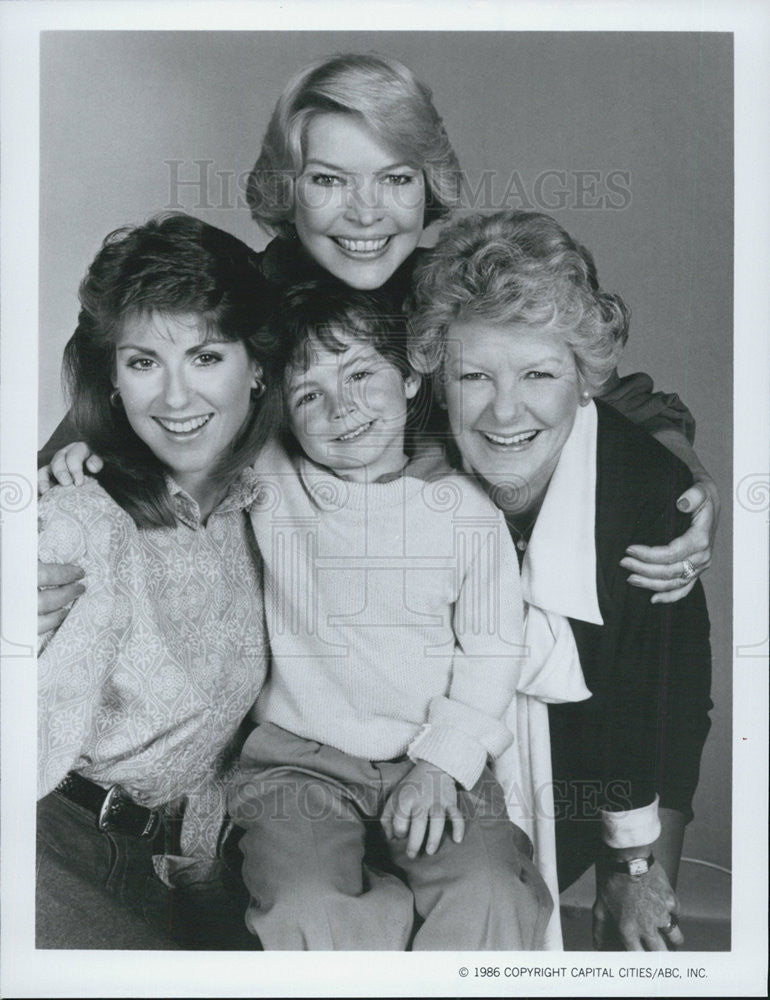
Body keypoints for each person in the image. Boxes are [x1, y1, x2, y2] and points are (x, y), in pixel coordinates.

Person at [38, 52, 717, 617]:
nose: (365, 214)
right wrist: (47, 511)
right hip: (274, 651)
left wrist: (686, 484)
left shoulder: (459, 293)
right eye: (329, 180)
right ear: (287, 189)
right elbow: (119, 404)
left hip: (434, 638)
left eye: (395, 179)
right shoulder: (234, 298)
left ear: (429, 188)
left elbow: (613, 395)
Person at [226, 280, 574, 950]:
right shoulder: (270, 477)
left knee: (490, 892)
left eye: (361, 374)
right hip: (300, 765)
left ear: (413, 379)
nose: (341, 407)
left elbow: (492, 648)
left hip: (428, 755)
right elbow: (180, 439)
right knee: (306, 902)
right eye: (308, 395)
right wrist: (78, 454)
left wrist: (442, 765)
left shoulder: (466, 509)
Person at [407, 209, 713, 951]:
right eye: (474, 376)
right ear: (437, 384)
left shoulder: (646, 491)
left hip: (603, 775)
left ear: (584, 381)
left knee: (643, 936)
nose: (505, 410)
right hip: (429, 790)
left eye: (538, 374)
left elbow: (664, 694)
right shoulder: (403, 470)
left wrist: (637, 867)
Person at [36, 214, 281, 948]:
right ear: (112, 378)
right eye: (144, 362)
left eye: (205, 356)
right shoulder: (83, 517)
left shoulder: (266, 515)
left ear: (258, 365)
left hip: (167, 870)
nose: (175, 398)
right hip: (51, 850)